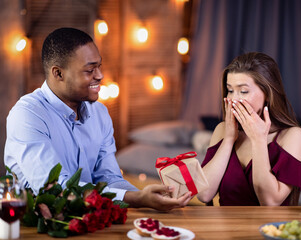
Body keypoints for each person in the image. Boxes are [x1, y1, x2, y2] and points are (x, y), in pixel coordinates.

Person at [4, 27, 191, 211]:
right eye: (89, 70)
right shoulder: (27, 115)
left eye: (99, 66)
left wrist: (149, 197)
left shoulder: (100, 113)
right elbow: (56, 190)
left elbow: (109, 179)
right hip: (36, 226)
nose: (100, 76)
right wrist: (138, 198)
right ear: (58, 73)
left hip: (92, 220)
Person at [197, 52, 301, 206]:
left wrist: (258, 140)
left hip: (271, 229)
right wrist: (229, 139)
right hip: (226, 228)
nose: (233, 99)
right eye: (230, 90)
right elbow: (204, 194)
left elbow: (270, 202)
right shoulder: (222, 130)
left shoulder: (293, 136)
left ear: (268, 95)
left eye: (243, 91)